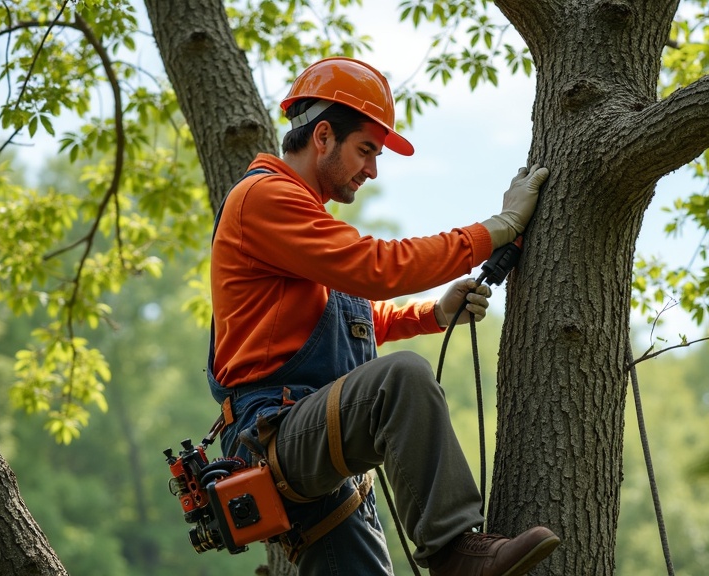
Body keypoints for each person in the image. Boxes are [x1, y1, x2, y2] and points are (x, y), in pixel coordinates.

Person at [207, 56, 558, 576]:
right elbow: (376, 268)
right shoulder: (265, 199)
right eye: (366, 149)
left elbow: (355, 318)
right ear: (323, 135)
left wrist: (434, 313)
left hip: (321, 444)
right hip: (276, 435)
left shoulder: (304, 223)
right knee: (403, 377)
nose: (372, 170)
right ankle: (452, 550)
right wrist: (497, 228)